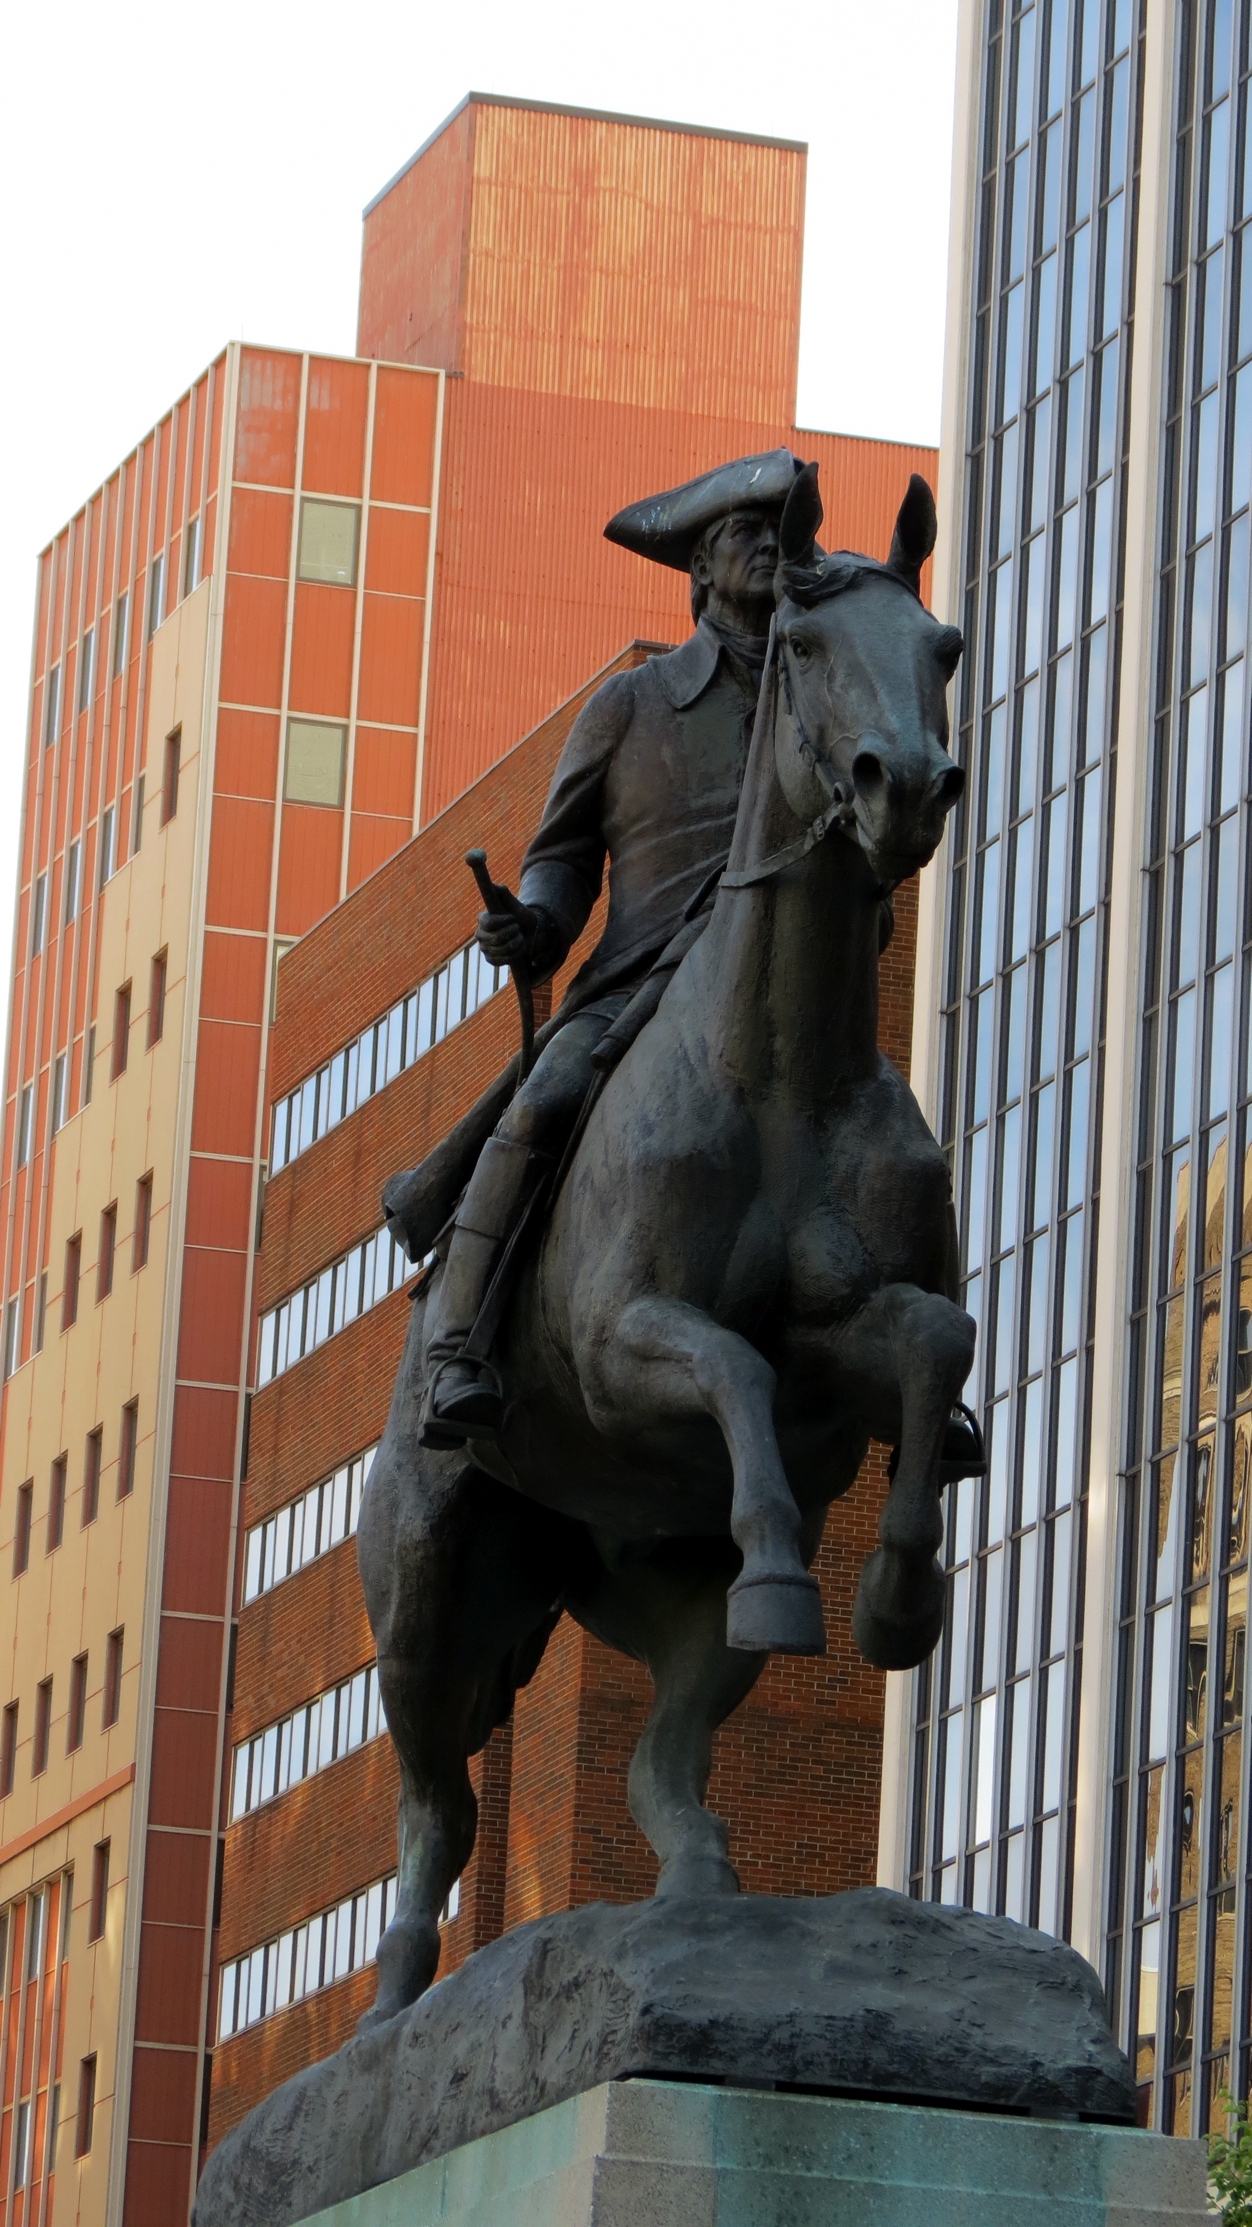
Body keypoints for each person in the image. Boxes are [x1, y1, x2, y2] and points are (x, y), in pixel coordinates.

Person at [419, 447, 803, 1445]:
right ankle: (456, 1345)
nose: (768, 547)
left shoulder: (815, 698)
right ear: (699, 570)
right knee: (545, 1101)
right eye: (744, 533)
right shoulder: (631, 705)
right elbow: (561, 859)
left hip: (786, 997)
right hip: (638, 990)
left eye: (779, 533)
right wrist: (535, 924)